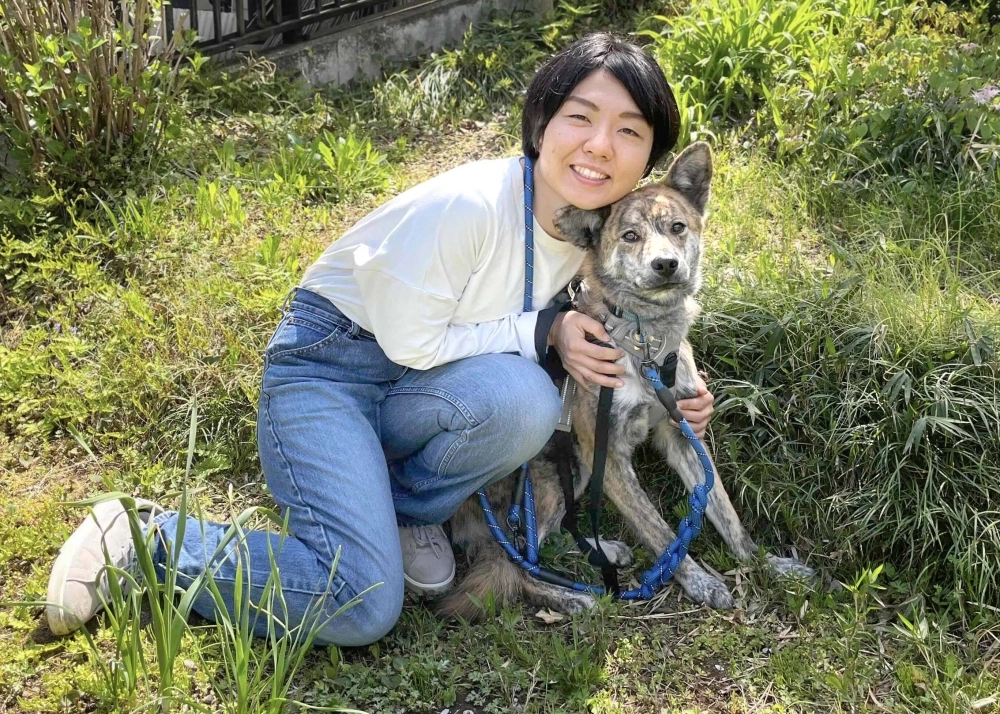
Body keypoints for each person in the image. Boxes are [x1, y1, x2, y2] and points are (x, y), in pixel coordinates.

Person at [46, 32, 716, 647]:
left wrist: (674, 388)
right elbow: (415, 344)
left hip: (420, 394)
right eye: (581, 117)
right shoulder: (473, 206)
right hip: (331, 369)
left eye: (628, 130)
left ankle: (400, 509)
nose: (600, 145)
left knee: (524, 402)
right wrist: (546, 328)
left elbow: (621, 323)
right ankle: (147, 541)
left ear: (649, 158)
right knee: (362, 605)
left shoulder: (603, 232)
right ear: (542, 124)